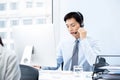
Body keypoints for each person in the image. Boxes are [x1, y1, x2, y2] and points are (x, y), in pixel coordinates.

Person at [34, 11, 101, 71]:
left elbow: (94, 63)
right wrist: (41, 67)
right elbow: (56, 63)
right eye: (67, 26)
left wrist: (83, 40)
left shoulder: (93, 42)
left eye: (73, 25)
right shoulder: (64, 42)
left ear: (81, 24)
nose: (70, 29)